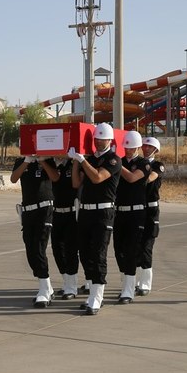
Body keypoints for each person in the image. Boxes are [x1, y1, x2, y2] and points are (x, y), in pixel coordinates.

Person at [69, 122, 121, 315]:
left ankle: (96, 299)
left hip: (103, 213)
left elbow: (98, 177)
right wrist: (76, 161)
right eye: (97, 139)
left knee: (98, 255)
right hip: (85, 211)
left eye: (103, 139)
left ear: (109, 140)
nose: (99, 142)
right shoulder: (89, 158)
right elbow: (76, 183)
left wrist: (82, 161)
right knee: (84, 253)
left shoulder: (114, 160)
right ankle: (92, 293)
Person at [10, 151, 60, 308]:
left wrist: (42, 161)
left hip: (45, 209)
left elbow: (55, 177)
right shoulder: (21, 161)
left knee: (39, 248)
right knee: (30, 251)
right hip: (28, 211)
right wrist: (26, 161)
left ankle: (44, 291)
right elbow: (13, 178)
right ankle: (47, 287)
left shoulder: (47, 160)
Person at [113, 131, 151, 304]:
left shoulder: (144, 164)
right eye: (125, 148)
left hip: (136, 213)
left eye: (130, 148)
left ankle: (128, 290)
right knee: (118, 250)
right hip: (120, 211)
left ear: (137, 147)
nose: (127, 151)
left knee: (130, 250)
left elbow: (131, 178)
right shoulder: (119, 161)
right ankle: (126, 284)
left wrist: (116, 163)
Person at [137, 137, 164, 296]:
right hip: (138, 209)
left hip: (151, 209)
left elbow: (149, 179)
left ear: (156, 150)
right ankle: (136, 280)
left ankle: (145, 283)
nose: (146, 148)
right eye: (145, 146)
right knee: (136, 246)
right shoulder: (138, 163)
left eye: (150, 146)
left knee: (147, 246)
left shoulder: (157, 165)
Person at [51, 154, 79, 300]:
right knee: (57, 249)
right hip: (56, 213)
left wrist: (75, 161)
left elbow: (76, 184)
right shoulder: (50, 163)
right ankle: (67, 281)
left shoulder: (73, 163)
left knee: (71, 251)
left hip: (72, 212)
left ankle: (71, 287)